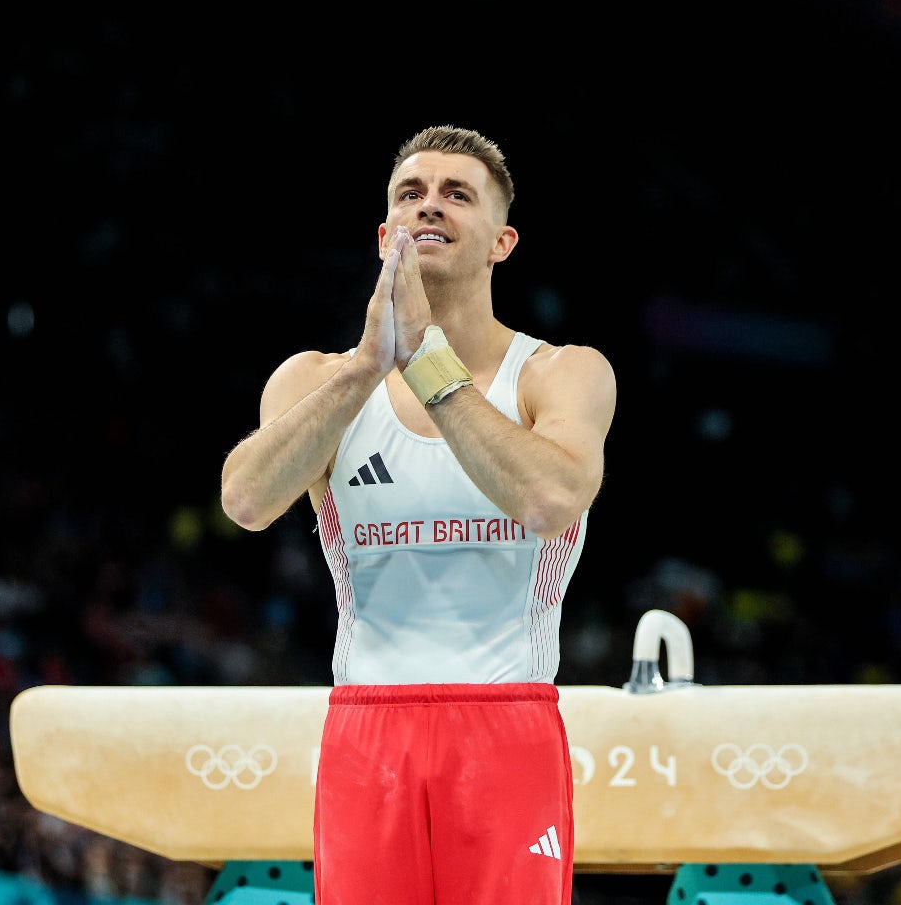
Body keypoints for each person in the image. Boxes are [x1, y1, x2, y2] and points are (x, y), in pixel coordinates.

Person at [220, 125, 616, 905]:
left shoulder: (560, 374)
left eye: (456, 194)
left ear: (502, 241)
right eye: (412, 193)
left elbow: (549, 498)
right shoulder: (316, 380)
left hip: (507, 726)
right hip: (368, 732)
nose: (429, 206)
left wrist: (428, 365)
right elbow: (247, 501)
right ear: (383, 237)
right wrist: (369, 366)